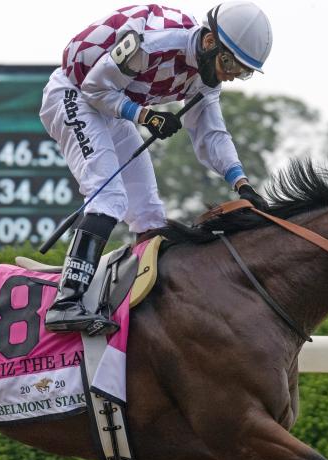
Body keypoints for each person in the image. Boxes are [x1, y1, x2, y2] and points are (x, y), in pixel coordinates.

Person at [39, 1, 272, 336]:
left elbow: (212, 134)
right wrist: (144, 115)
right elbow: (93, 88)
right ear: (209, 42)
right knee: (110, 198)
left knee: (150, 214)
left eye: (242, 71)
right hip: (73, 95)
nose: (231, 75)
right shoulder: (152, 43)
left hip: (111, 105)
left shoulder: (206, 74)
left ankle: (144, 302)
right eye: (229, 63)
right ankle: (65, 302)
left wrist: (242, 184)